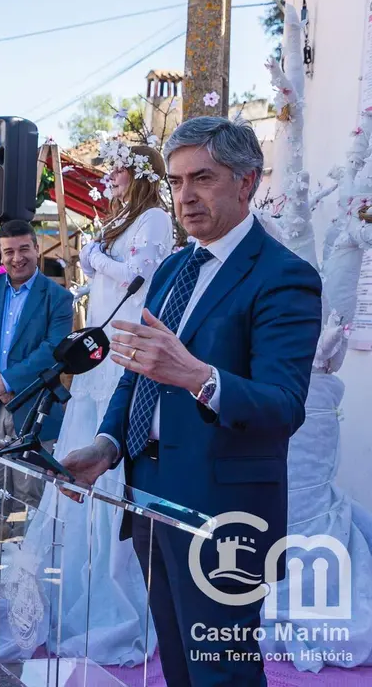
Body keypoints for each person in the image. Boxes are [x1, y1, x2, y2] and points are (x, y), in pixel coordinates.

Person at [60, 117, 322, 686]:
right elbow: (139, 372)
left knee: (220, 672)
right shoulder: (174, 268)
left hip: (222, 511)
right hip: (149, 495)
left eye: (203, 178)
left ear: (247, 181)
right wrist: (107, 445)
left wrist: (199, 377)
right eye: (176, 182)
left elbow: (283, 405)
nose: (185, 196)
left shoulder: (284, 277)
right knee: (179, 664)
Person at [27, 145, 174, 663]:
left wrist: (96, 258)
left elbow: (141, 275)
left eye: (117, 169)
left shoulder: (155, 218)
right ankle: (77, 580)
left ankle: (120, 598)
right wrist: (88, 272)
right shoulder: (120, 220)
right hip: (100, 346)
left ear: (138, 173)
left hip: (126, 346)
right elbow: (106, 281)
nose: (110, 178)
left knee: (112, 462)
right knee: (80, 445)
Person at [0, 219, 74, 514]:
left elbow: (52, 349)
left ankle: (26, 548)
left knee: (30, 498)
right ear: (1, 254)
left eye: (24, 249)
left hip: (35, 408)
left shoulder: (59, 297)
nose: (17, 257)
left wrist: (8, 381)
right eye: (9, 251)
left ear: (37, 249)